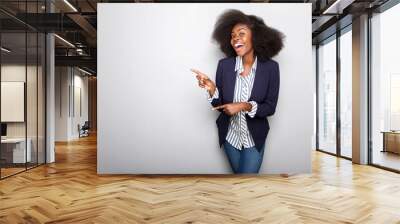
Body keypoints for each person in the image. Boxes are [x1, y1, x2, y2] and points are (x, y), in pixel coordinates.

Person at [191, 9, 284, 174]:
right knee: (240, 183)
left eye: (241, 33)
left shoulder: (271, 68)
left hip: (254, 139)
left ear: (255, 37)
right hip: (230, 138)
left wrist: (244, 106)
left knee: (245, 185)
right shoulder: (224, 66)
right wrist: (212, 89)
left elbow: (270, 107)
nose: (235, 39)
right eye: (233, 35)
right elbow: (219, 105)